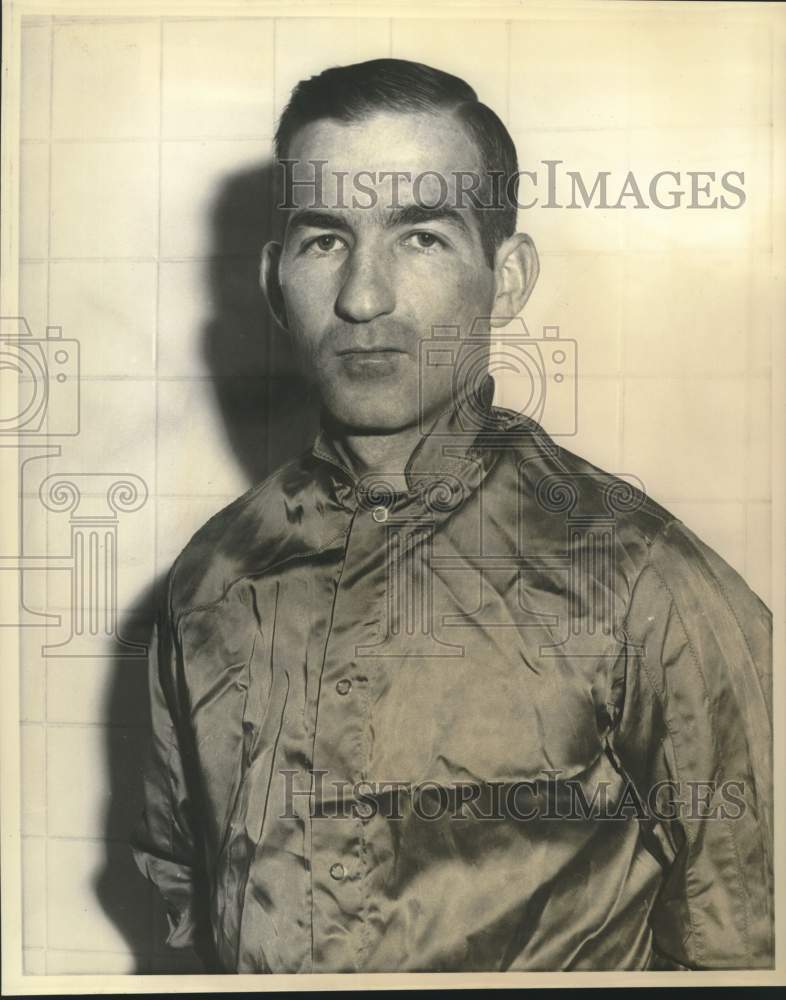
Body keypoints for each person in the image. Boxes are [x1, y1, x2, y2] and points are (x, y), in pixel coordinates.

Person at [131, 59, 773, 973]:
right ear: (276, 282)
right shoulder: (209, 580)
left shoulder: (646, 581)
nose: (363, 297)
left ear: (506, 278)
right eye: (324, 241)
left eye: (421, 237)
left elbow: (747, 943)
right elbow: (179, 897)